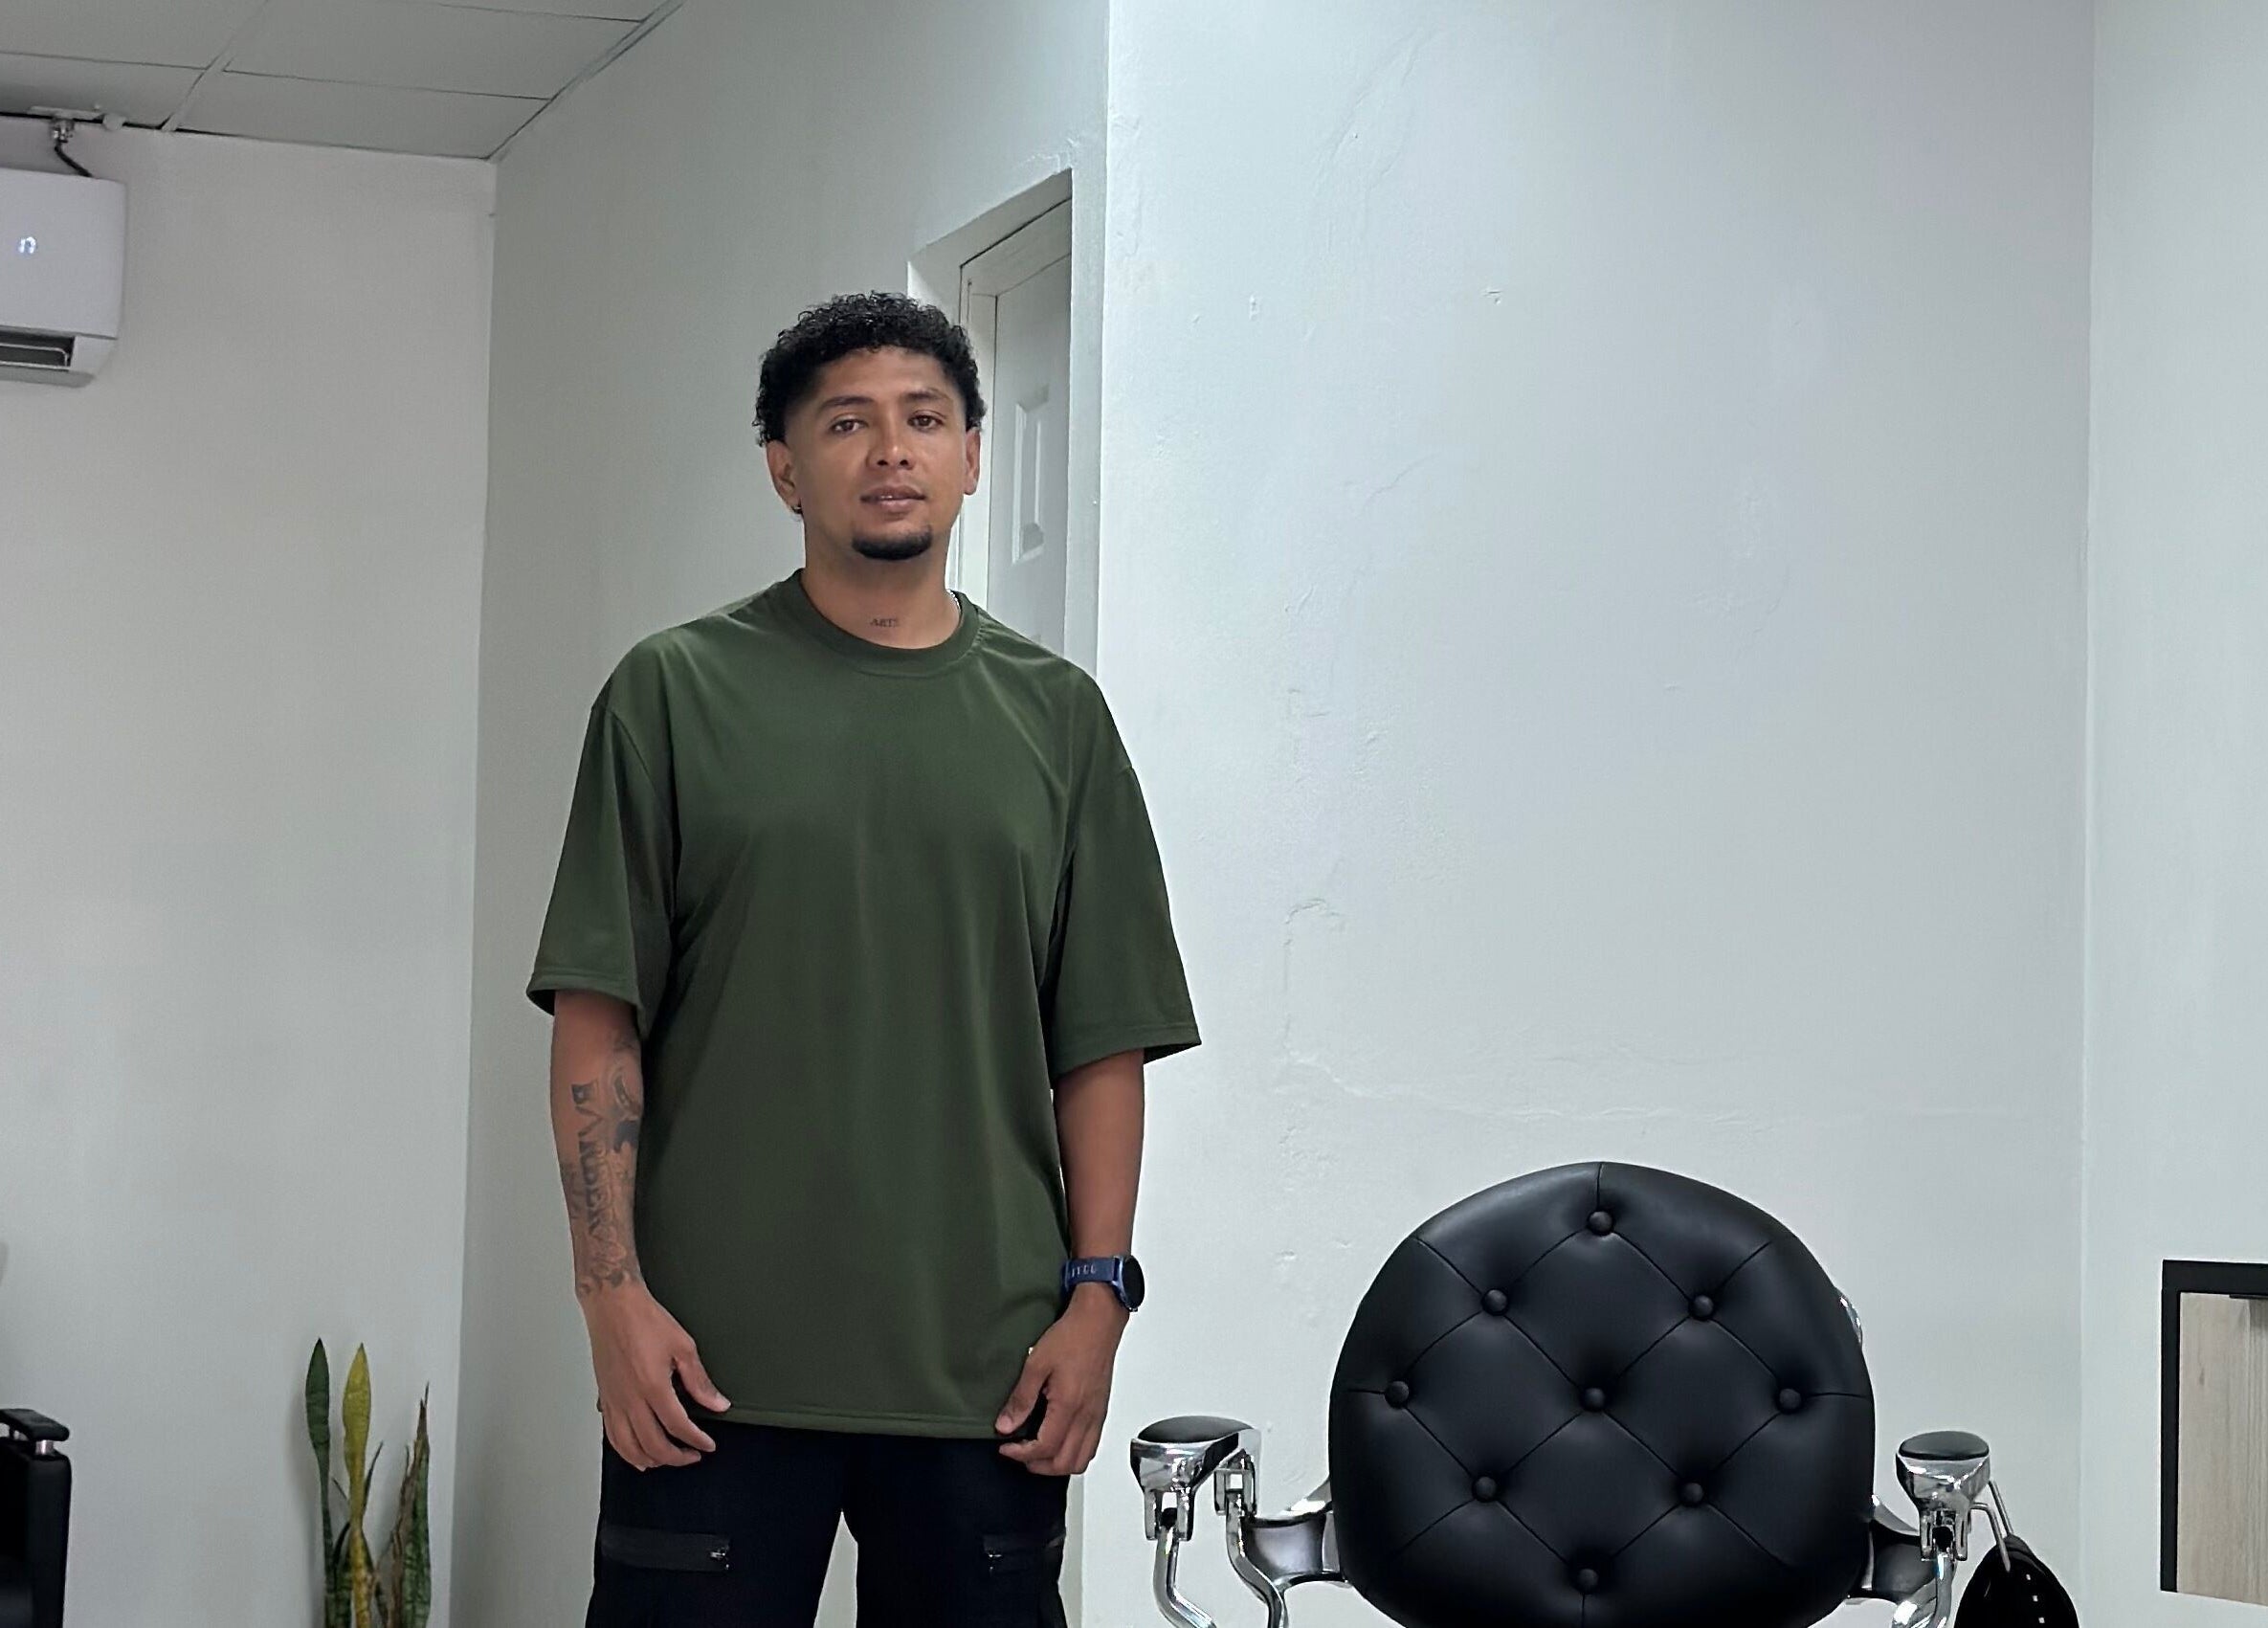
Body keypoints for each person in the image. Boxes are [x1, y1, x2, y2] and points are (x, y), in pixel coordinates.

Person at [527, 289, 1202, 1627]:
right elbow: (597, 1019)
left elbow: (1102, 1043)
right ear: (784, 467)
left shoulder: (1058, 721)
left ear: (969, 455)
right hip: (707, 1374)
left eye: (923, 418)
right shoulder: (671, 694)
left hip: (987, 1378)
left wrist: (1097, 1302)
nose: (890, 448)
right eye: (846, 422)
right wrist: (611, 1300)